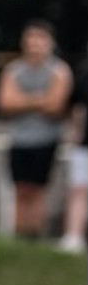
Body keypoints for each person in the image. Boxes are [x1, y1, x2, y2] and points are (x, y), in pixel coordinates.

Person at [0, 20, 73, 239]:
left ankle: (34, 237)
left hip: (46, 140)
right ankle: (19, 237)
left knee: (38, 190)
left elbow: (55, 105)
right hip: (19, 140)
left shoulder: (59, 71)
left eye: (41, 39)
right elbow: (5, 102)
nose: (35, 44)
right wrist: (39, 100)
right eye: (31, 38)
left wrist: (23, 101)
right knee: (20, 189)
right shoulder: (14, 70)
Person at [57, 60, 87, 253]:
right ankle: (74, 236)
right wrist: (75, 133)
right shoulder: (85, 78)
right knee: (78, 190)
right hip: (84, 145)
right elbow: (77, 108)